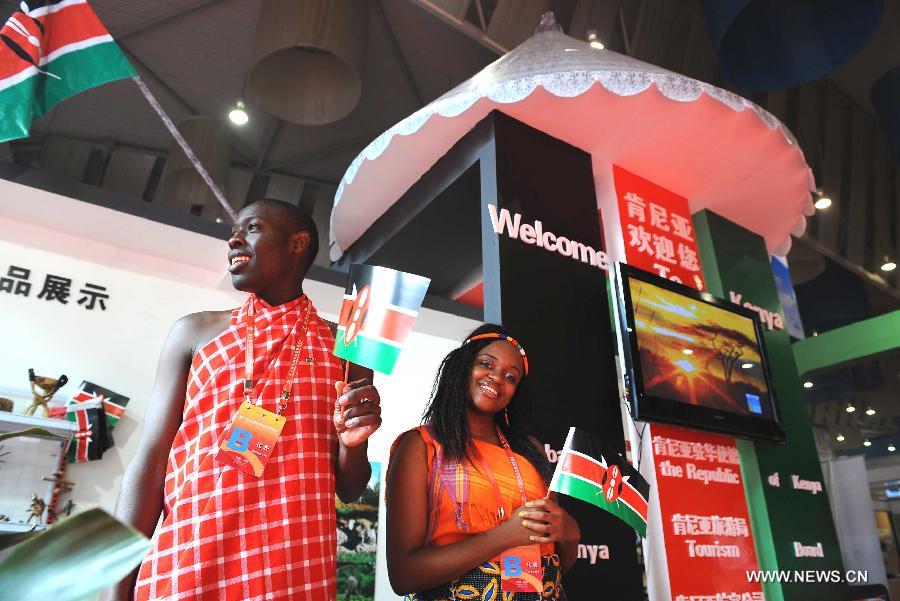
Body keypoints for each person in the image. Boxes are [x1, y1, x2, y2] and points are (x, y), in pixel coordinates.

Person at [103, 199, 382, 601]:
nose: (233, 239)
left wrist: (353, 443)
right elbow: (151, 460)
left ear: (297, 243)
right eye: (235, 231)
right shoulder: (195, 332)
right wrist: (115, 587)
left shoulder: (349, 348)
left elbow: (351, 488)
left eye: (251, 228)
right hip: (189, 558)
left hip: (292, 567)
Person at [386, 324, 579, 600]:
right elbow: (404, 575)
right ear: (463, 366)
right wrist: (505, 536)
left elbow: (555, 563)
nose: (497, 378)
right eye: (486, 363)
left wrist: (571, 532)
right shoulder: (420, 446)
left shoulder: (530, 451)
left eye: (511, 377)